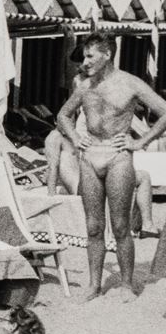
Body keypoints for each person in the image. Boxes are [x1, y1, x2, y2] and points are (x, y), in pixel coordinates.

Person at [56, 33, 166, 300]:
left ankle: (127, 285)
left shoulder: (130, 83)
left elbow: (164, 112)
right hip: (89, 158)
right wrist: (75, 138)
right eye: (84, 57)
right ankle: (94, 285)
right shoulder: (84, 86)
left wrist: (139, 142)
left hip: (118, 158)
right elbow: (63, 115)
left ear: (107, 55)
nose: (85, 62)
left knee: (120, 227)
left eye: (90, 56)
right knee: (93, 227)